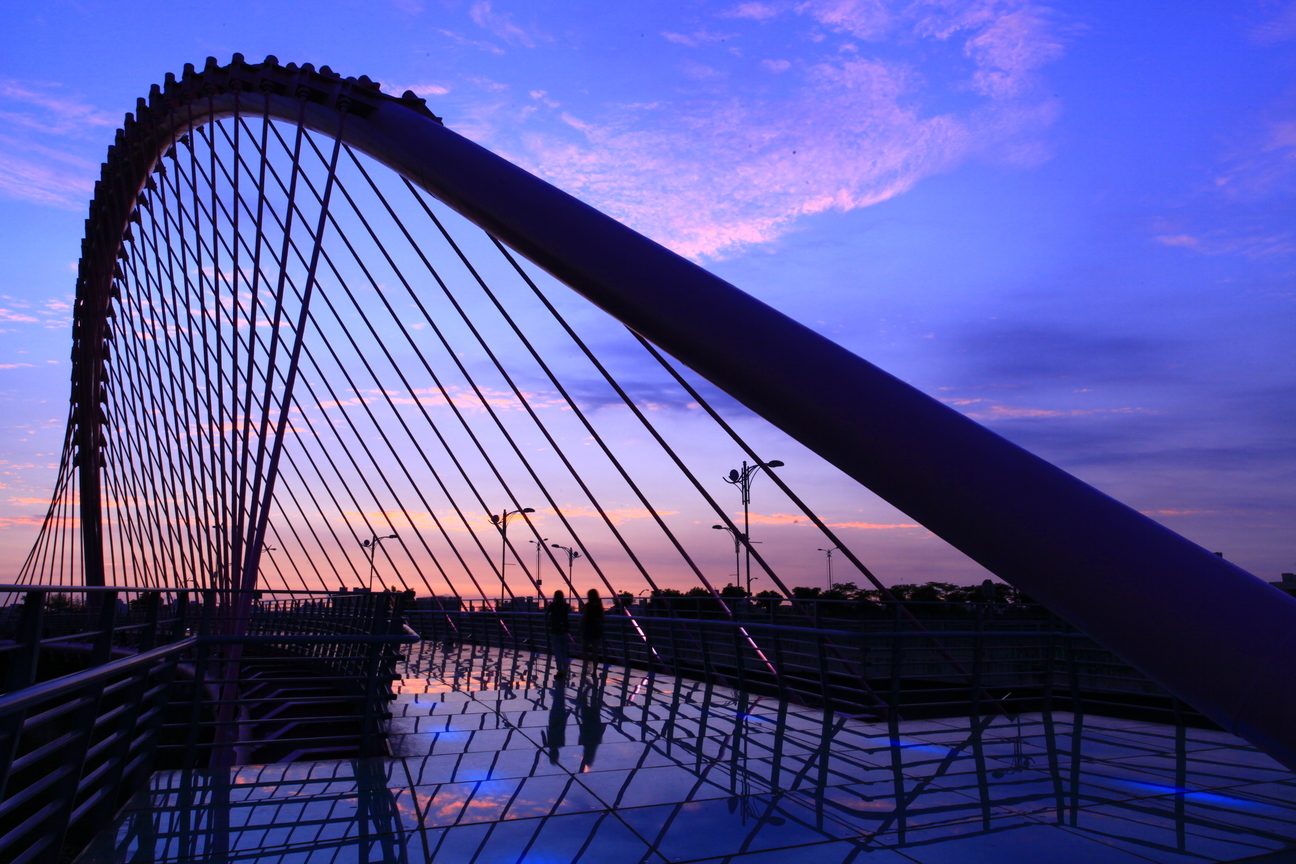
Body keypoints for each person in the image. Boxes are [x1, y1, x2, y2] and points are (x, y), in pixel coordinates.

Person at [546, 590, 571, 679]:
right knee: (564, 650)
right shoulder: (566, 606)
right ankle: (565, 668)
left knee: (557, 651)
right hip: (564, 629)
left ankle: (560, 669)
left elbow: (547, 614)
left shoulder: (553, 605)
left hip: (555, 630)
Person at [580, 588, 605, 675]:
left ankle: (586, 667)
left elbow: (584, 617)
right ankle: (594, 671)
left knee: (584, 649)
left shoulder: (588, 605)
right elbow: (603, 618)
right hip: (597, 629)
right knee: (595, 651)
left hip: (588, 629)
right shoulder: (599, 606)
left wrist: (580, 628)